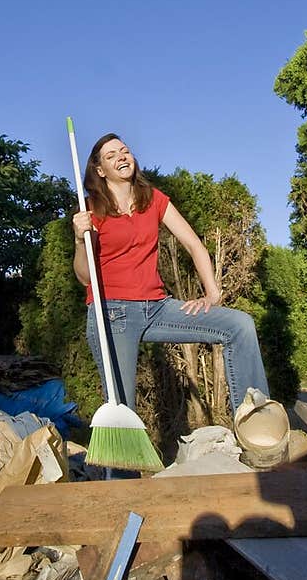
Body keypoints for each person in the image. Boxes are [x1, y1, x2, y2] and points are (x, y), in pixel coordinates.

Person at [72, 132, 287, 461]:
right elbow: (85, 278)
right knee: (121, 410)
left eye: (125, 150)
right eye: (111, 154)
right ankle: (119, 487)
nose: (121, 156)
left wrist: (212, 292)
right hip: (112, 313)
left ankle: (258, 432)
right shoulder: (92, 211)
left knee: (239, 325)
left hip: (157, 307)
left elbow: (194, 244)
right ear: (100, 170)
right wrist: (79, 238)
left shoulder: (153, 199)